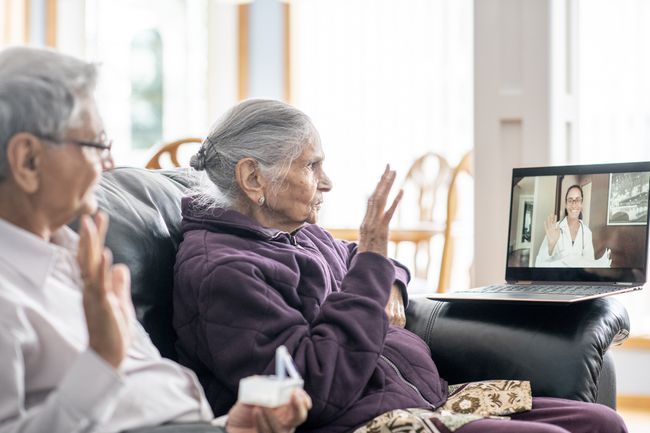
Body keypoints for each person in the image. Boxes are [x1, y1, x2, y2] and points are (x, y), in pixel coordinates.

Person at [173, 99, 627, 433]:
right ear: (253, 178)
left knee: (602, 424)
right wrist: (372, 261)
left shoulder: (295, 233)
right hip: (367, 421)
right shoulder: (223, 272)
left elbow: (375, 268)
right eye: (312, 166)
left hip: (424, 397)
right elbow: (314, 386)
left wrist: (386, 277)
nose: (327, 182)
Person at [0, 47, 310, 433]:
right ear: (28, 160)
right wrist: (101, 361)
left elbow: (143, 395)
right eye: (96, 145)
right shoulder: (8, 295)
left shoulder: (74, 254)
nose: (109, 165)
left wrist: (229, 426)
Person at [535, 184, 610, 267]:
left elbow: (589, 266)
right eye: (570, 200)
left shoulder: (587, 233)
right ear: (566, 205)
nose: (574, 205)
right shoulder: (554, 228)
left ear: (581, 204)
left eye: (577, 200)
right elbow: (538, 263)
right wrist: (551, 246)